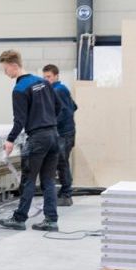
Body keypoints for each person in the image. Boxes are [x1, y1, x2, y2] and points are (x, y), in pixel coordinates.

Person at [0, 50, 61, 231]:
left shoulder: (19, 89)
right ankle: (51, 220)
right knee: (48, 180)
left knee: (28, 179)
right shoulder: (43, 82)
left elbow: (19, 120)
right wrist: (48, 121)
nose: (5, 73)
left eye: (5, 69)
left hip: (38, 138)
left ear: (14, 66)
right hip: (53, 135)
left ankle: (19, 219)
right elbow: (58, 106)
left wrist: (10, 140)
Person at [44, 64, 79, 207]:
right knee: (61, 162)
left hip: (63, 134)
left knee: (62, 163)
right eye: (45, 77)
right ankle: (65, 192)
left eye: (49, 77)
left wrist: (50, 124)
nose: (46, 80)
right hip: (66, 132)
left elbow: (65, 112)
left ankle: (66, 194)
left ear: (56, 76)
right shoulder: (61, 89)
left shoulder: (57, 90)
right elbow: (74, 106)